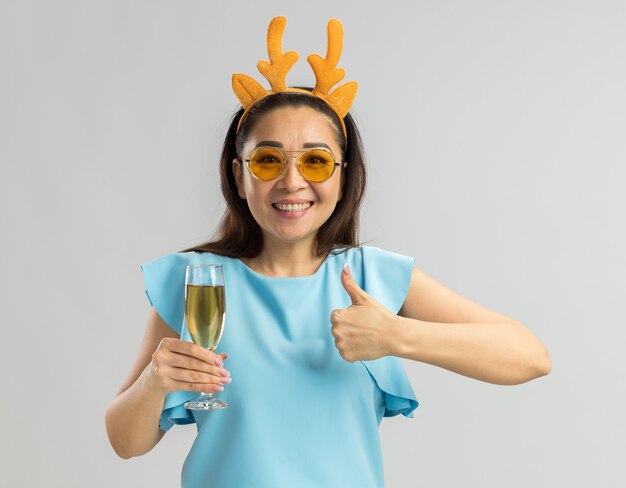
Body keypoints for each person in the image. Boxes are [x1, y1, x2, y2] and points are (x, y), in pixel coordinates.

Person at [105, 16, 551, 487]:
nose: (292, 181)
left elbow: (530, 356)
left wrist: (397, 336)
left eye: (316, 161)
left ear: (342, 177)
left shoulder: (373, 277)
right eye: (268, 160)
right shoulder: (196, 281)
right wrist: (156, 381)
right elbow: (125, 442)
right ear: (240, 176)